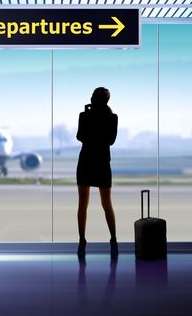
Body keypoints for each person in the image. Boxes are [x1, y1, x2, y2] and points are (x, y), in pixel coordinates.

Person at [76, 87, 118, 257]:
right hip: (98, 161)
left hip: (90, 160)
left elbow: (83, 137)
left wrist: (91, 121)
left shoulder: (90, 116)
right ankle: (110, 239)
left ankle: (87, 240)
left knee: (92, 203)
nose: (92, 98)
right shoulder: (108, 117)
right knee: (102, 203)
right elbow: (107, 140)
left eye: (95, 96)